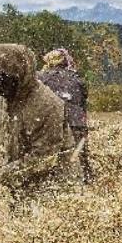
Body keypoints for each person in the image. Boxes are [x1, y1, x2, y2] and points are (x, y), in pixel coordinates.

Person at [0, 44, 74, 192]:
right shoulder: (6, 94)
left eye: (6, 78)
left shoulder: (47, 105)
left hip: (54, 186)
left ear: (22, 75)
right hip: (21, 181)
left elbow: (43, 158)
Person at [37, 48, 93, 183]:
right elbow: (83, 99)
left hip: (52, 124)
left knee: (50, 163)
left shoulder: (41, 78)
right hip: (76, 123)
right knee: (82, 160)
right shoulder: (77, 77)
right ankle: (87, 182)